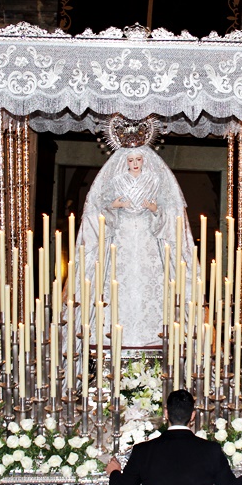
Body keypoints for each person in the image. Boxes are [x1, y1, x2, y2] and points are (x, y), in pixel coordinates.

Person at [72, 143, 194, 348]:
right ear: (125, 162)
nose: (135, 164)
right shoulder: (117, 180)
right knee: (117, 282)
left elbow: (166, 213)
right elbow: (101, 207)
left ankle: (155, 335)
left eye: (138, 160)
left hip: (148, 238)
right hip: (121, 237)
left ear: (144, 160)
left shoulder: (154, 180)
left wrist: (154, 209)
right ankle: (112, 333)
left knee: (152, 282)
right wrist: (115, 206)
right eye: (131, 160)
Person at [106, 390, 242, 485]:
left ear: (166, 413)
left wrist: (114, 471)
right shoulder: (210, 450)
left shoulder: (143, 451)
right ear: (192, 416)